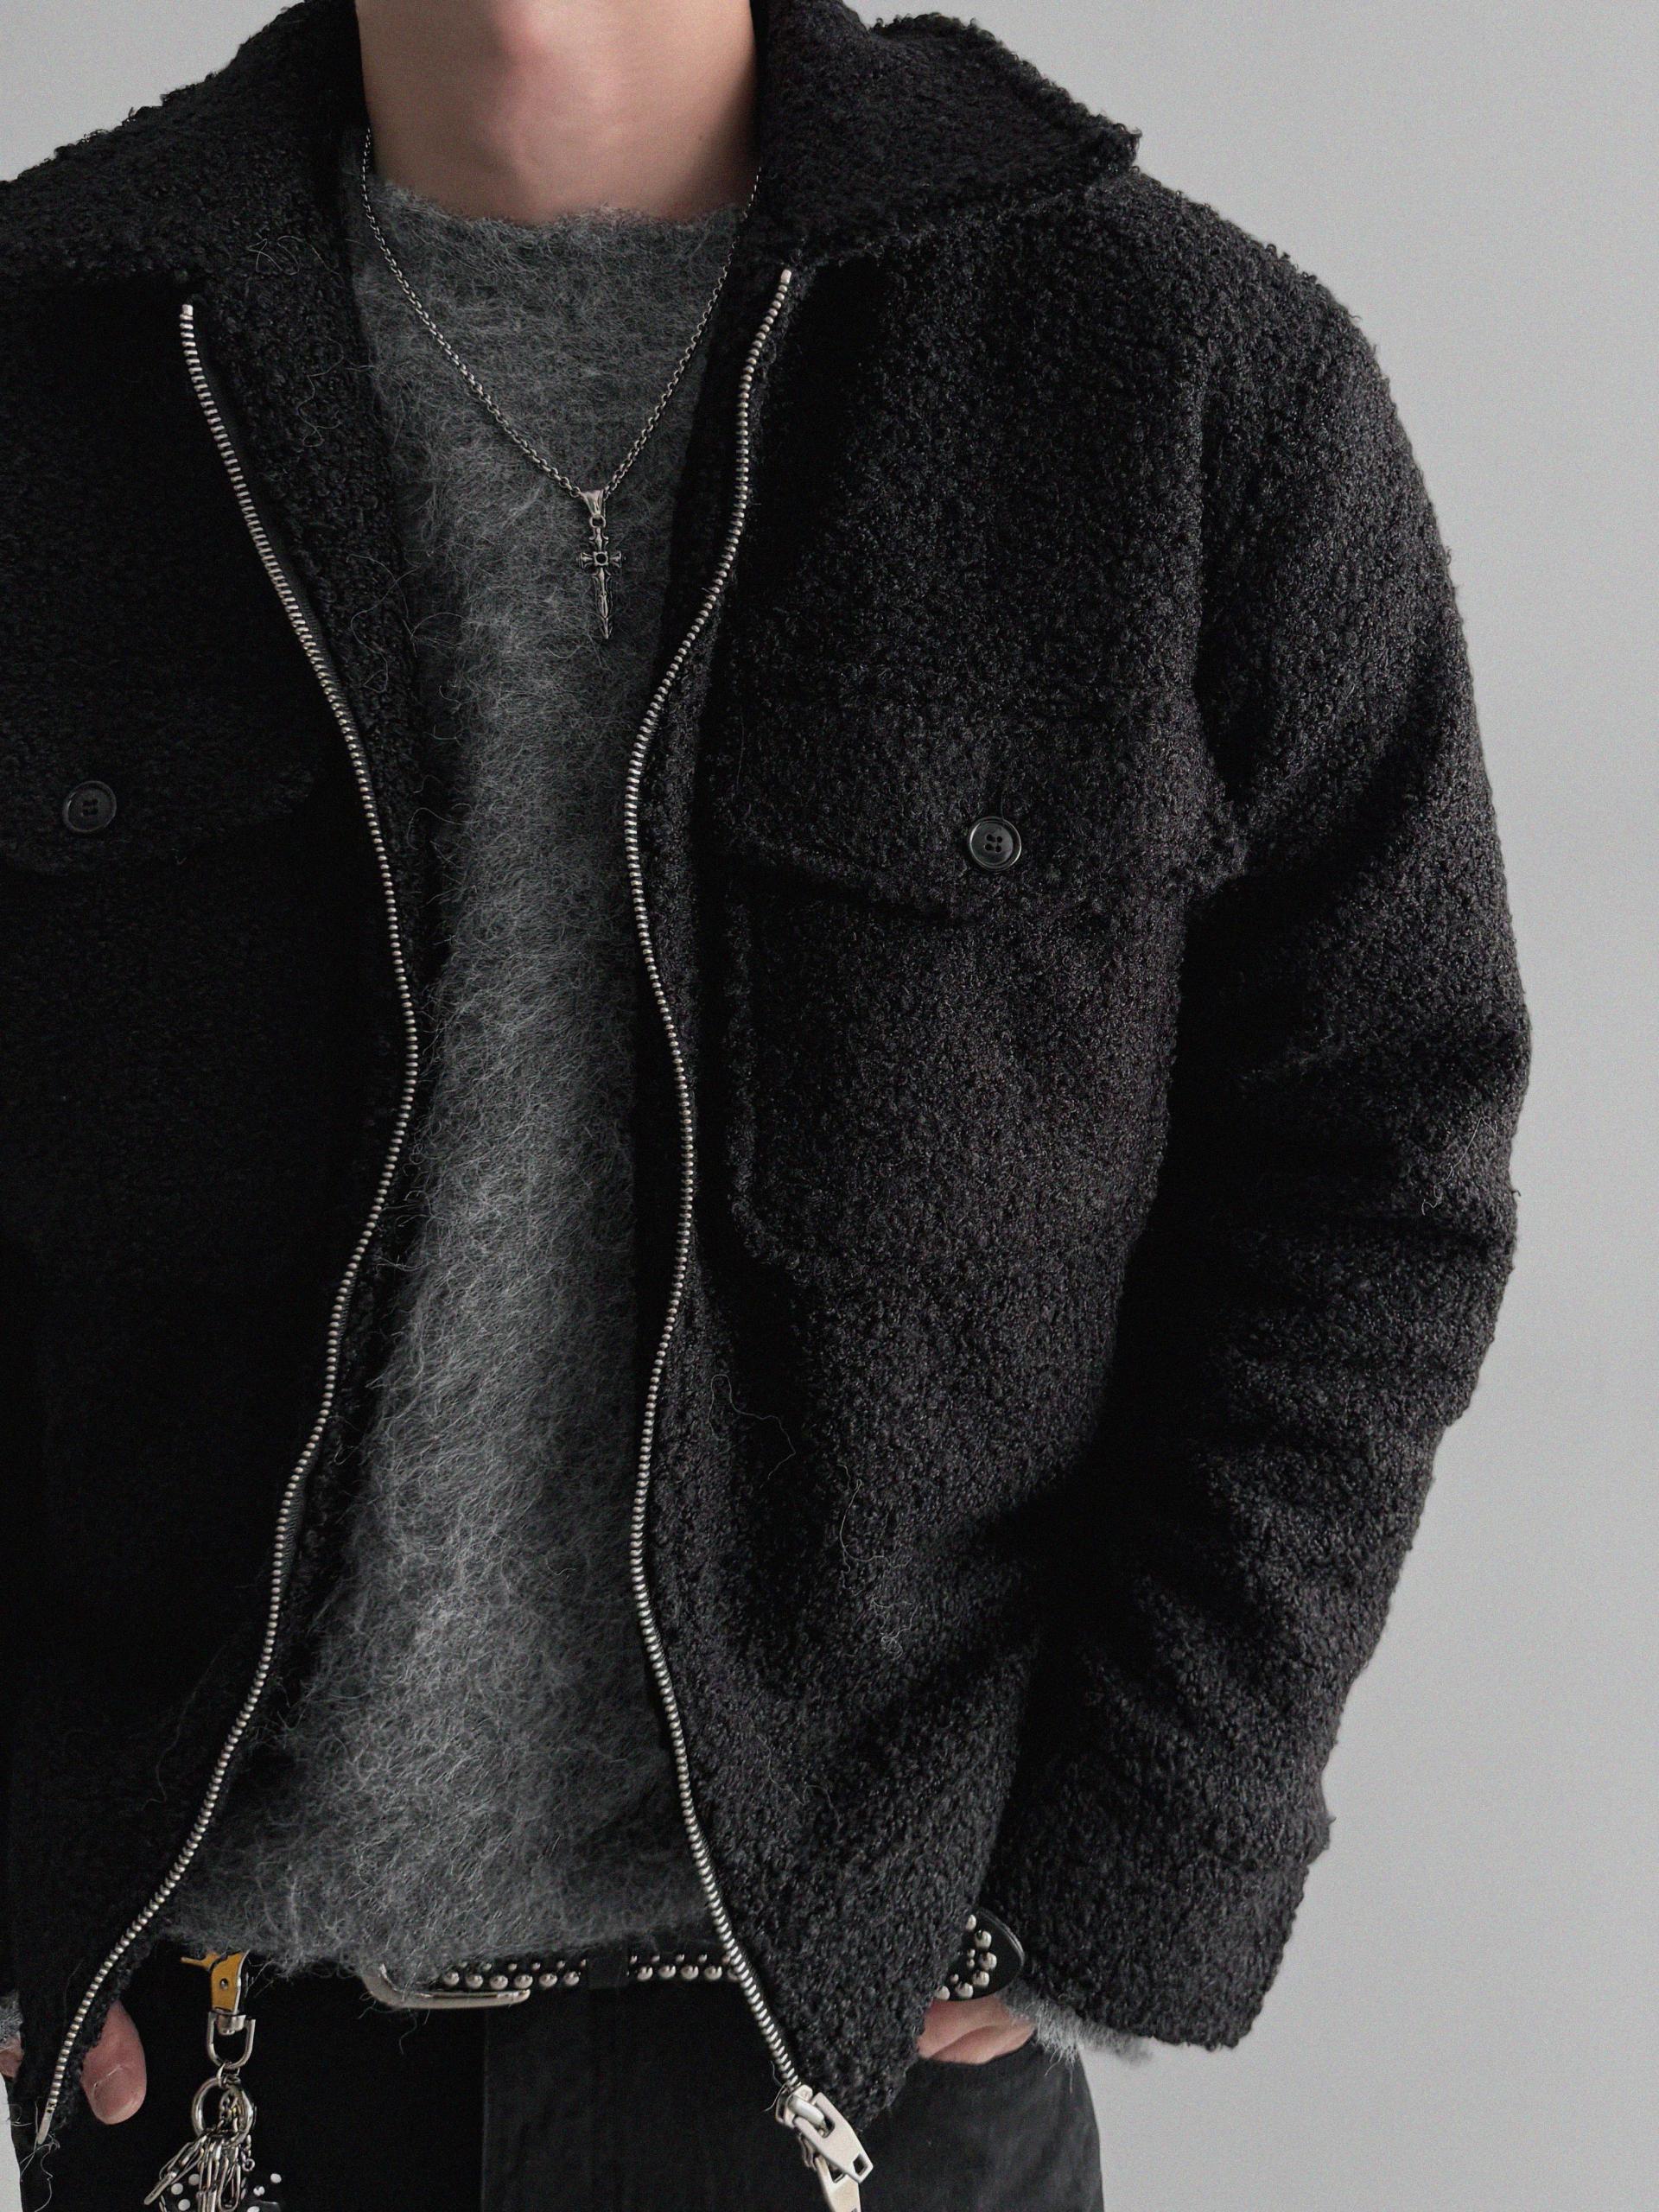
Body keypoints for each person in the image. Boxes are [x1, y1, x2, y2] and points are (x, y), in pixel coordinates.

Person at [0, 0, 1529, 2204]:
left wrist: (1138, 1839)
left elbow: (1375, 1164)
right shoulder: (55, 369)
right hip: (216, 2079)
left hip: (859, 2068)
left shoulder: (1176, 376)